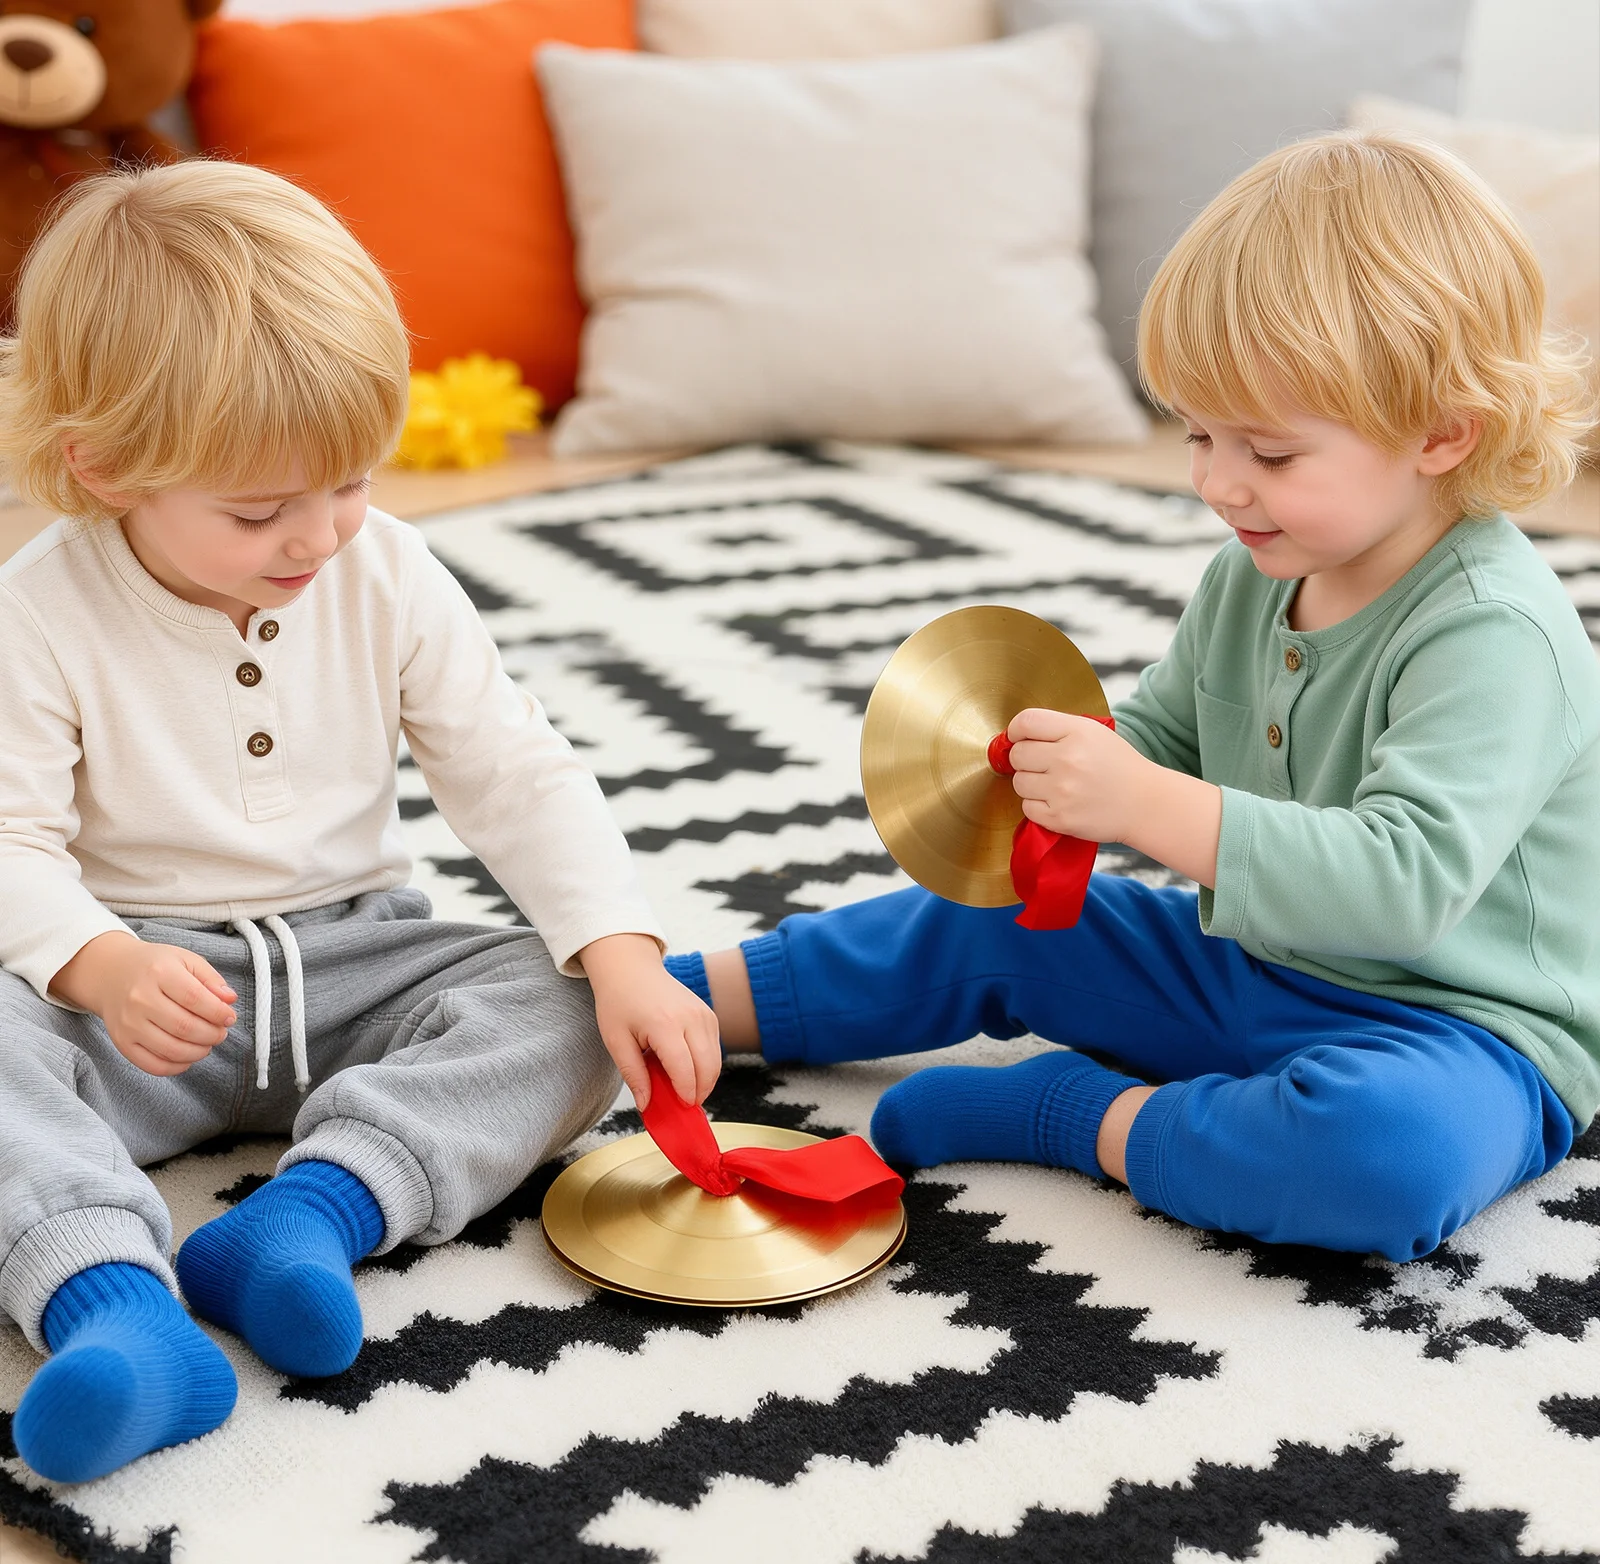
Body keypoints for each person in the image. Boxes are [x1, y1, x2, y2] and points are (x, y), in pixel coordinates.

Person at [668, 131, 1598, 1270]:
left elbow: (1399, 887)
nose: (1216, 483)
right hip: (1250, 960)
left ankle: (1077, 1116)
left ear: (1442, 431)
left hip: (1460, 1032)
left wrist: (1139, 800)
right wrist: (1039, 769)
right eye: (1199, 434)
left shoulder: (1491, 631)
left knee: (1382, 1159)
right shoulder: (1261, 568)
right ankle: (682, 1004)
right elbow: (1166, 739)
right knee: (1001, 915)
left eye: (1267, 449)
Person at [0, 161, 719, 1484]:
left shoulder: (384, 565)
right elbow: (9, 848)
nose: (320, 535)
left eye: (349, 483)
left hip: (350, 963)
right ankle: (114, 1307)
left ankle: (312, 1217)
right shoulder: (36, 609)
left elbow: (511, 764)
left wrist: (619, 949)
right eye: (260, 510)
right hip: (128, 1006)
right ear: (98, 469)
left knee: (567, 1004)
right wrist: (100, 966)